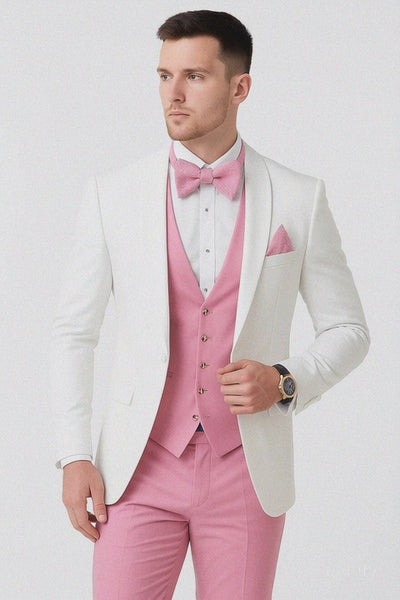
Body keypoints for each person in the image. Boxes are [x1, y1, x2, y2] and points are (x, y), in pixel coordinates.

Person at [52, 10, 369, 600]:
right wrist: (73, 455)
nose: (173, 94)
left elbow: (348, 328)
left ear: (239, 87)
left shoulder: (298, 197)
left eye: (194, 76)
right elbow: (75, 332)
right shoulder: (112, 196)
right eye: (164, 75)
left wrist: (285, 379)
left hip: (247, 471)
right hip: (137, 467)